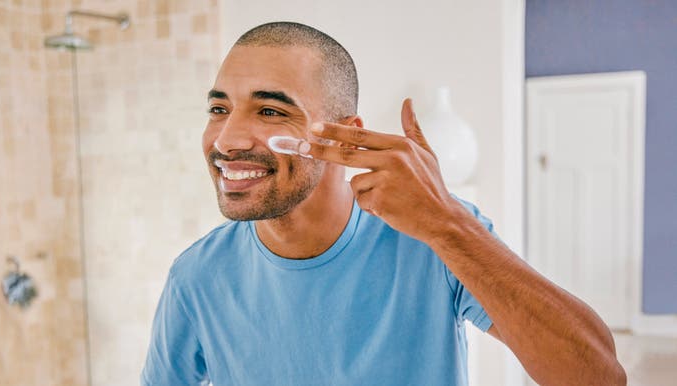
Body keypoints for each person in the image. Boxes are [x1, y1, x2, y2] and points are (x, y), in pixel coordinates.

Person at [141, 22, 626, 386]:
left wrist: (447, 223)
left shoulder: (431, 240)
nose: (226, 139)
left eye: (270, 111)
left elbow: (598, 376)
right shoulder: (198, 276)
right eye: (219, 109)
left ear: (346, 136)